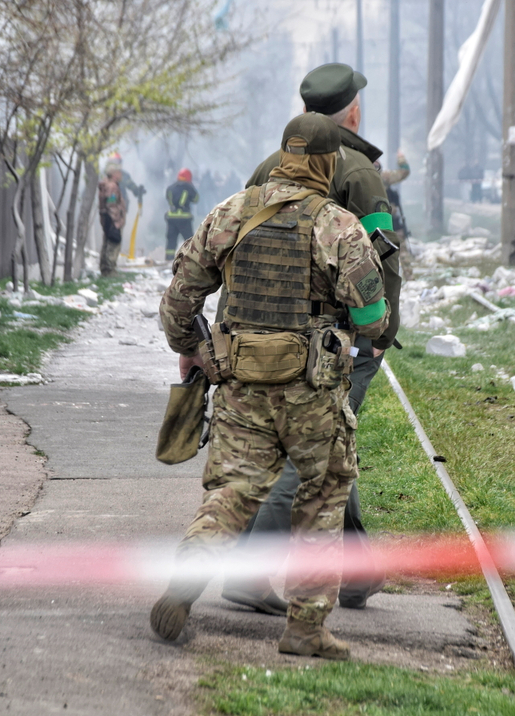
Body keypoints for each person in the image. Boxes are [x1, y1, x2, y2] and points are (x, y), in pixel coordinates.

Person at [152, 112, 390, 660]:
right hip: (312, 394)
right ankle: (305, 629)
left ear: (284, 155)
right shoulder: (338, 225)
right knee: (323, 497)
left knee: (232, 494)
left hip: (241, 387)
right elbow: (374, 318)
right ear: (329, 163)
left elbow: (178, 303)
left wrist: (193, 348)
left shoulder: (232, 212)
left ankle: (187, 580)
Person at [224, 62, 403, 615]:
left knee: (330, 448)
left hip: (263, 332)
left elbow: (238, 243)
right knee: (309, 455)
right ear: (351, 109)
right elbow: (381, 260)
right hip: (335, 341)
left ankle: (356, 576)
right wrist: (380, 333)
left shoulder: (269, 164)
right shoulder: (357, 171)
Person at [379, 152, 412, 280]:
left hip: (375, 221)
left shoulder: (360, 176)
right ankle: (409, 276)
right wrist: (401, 158)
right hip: (390, 220)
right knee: (402, 250)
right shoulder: (384, 176)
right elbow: (405, 171)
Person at [97, 162, 126, 276]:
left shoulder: (106, 185)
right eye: (119, 172)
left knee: (107, 241)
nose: (121, 175)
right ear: (114, 174)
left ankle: (104, 267)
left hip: (106, 218)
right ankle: (110, 270)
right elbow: (111, 203)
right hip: (112, 219)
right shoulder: (112, 186)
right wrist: (117, 220)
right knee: (113, 243)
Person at [164, 168, 199, 258]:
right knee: (189, 241)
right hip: (184, 218)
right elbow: (196, 199)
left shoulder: (171, 187)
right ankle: (192, 259)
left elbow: (168, 197)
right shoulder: (189, 187)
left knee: (171, 241)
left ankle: (168, 259)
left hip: (171, 218)